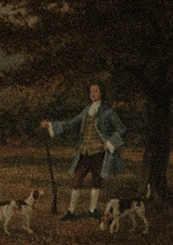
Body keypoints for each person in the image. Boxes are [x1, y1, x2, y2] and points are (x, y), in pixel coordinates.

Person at [40, 81, 125, 220]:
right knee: (77, 179)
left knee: (96, 181)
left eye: (96, 91)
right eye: (91, 91)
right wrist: (51, 125)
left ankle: (92, 209)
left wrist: (110, 142)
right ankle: (71, 211)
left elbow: (121, 129)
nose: (93, 94)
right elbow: (72, 123)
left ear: (101, 93)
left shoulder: (108, 111)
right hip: (84, 151)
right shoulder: (86, 111)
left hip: (99, 152)